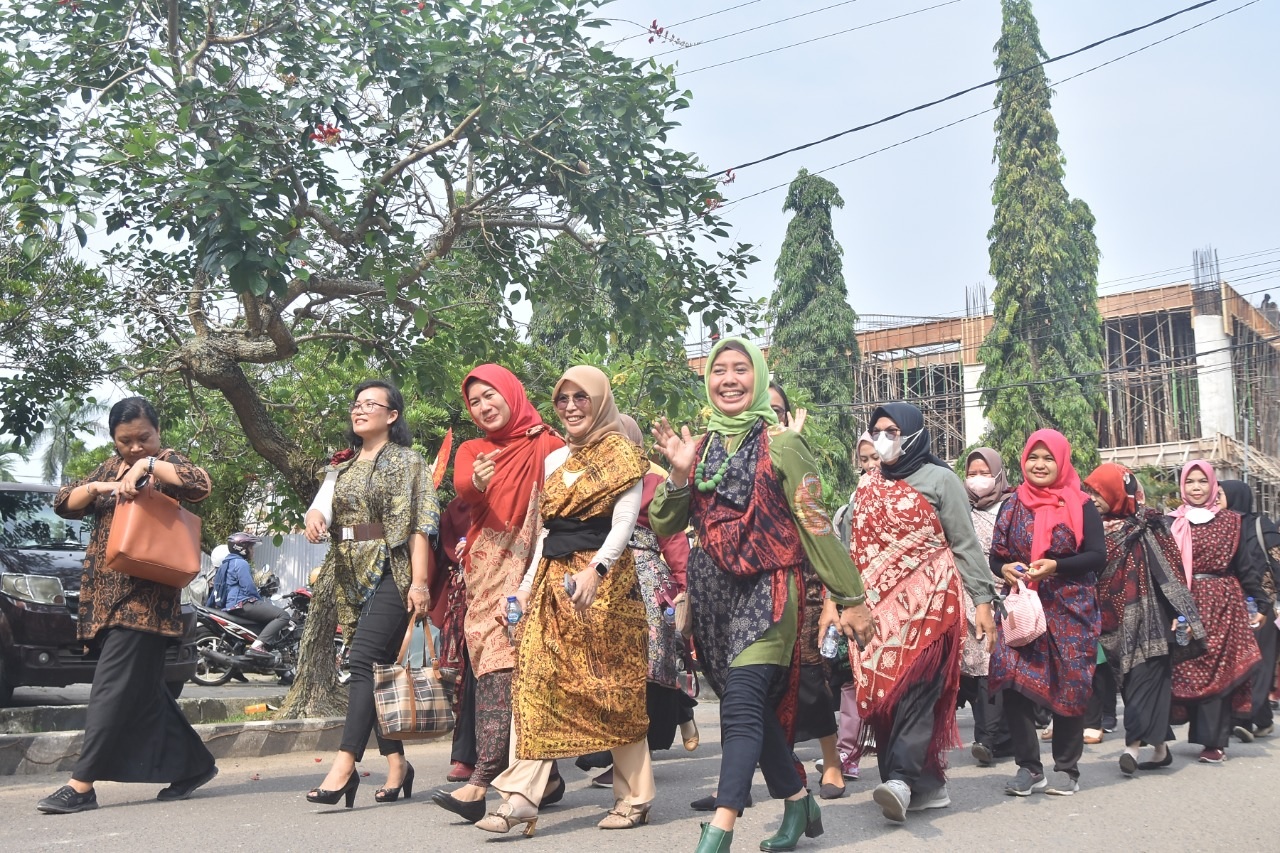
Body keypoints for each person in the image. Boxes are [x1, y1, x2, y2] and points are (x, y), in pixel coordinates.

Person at [650, 338, 874, 853]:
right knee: (749, 706)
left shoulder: (785, 445)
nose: (728, 379)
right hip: (712, 597)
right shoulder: (699, 449)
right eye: (719, 370)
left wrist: (851, 596)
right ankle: (799, 802)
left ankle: (722, 825)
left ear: (759, 376)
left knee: (744, 701)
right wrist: (680, 475)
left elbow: (817, 525)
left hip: (770, 589)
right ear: (706, 379)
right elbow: (664, 522)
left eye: (740, 369)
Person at [477, 366, 651, 836]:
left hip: (606, 585)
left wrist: (596, 569)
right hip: (554, 582)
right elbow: (547, 533)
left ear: (600, 401)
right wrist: (526, 584)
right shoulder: (555, 461)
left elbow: (624, 522)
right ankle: (520, 798)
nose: (571, 407)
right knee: (533, 681)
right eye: (563, 399)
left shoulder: (622, 453)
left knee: (611, 692)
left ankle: (635, 796)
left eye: (582, 398)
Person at [38, 397, 217, 814]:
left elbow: (200, 483)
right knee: (143, 695)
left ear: (157, 431)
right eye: (125, 441)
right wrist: (101, 486)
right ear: (114, 439)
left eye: (144, 438)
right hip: (102, 602)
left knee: (110, 690)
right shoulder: (106, 466)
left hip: (145, 603)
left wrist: (148, 467)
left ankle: (80, 785)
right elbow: (64, 502)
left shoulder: (167, 462)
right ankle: (193, 765)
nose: (135, 447)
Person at [847, 404, 998, 823]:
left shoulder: (941, 480)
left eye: (891, 430)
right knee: (885, 701)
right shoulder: (866, 487)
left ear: (913, 433)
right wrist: (837, 603)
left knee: (915, 692)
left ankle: (898, 779)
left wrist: (982, 602)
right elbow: (850, 552)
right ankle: (927, 787)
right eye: (876, 431)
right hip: (876, 614)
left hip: (932, 607)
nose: (882, 439)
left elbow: (965, 543)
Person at [432, 365, 566, 822]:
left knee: (509, 671)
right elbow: (464, 488)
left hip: (538, 567)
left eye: (491, 396)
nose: (484, 406)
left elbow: (565, 503)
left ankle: (481, 783)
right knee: (493, 669)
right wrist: (480, 482)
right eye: (475, 402)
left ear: (511, 393)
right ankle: (543, 780)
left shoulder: (549, 444)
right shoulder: (473, 449)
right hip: (486, 573)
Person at [304, 379, 439, 807]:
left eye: (370, 404)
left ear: (392, 415)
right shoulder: (341, 467)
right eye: (356, 403)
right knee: (378, 670)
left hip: (393, 571)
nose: (359, 410)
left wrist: (420, 583)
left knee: (361, 660)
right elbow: (322, 504)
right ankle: (398, 765)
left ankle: (344, 765)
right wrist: (312, 518)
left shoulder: (408, 461)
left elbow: (420, 524)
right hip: (349, 571)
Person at [989, 430, 1105, 797]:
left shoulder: (1081, 504)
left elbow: (1097, 556)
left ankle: (1067, 769)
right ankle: (1029, 768)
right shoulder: (1012, 504)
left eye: (1048, 458)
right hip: (1023, 608)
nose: (1040, 465)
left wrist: (1056, 566)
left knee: (1070, 684)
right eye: (1033, 458)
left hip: (1071, 609)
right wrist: (1005, 569)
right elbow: (997, 554)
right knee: (1013, 683)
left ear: (1062, 461)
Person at [585, 415, 697, 790]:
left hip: (646, 584)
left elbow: (673, 539)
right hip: (600, 582)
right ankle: (615, 751)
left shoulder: (654, 483)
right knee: (605, 668)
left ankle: (634, 757)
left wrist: (683, 587)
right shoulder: (591, 483)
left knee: (646, 668)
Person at [1083, 463, 1204, 774]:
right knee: (1136, 684)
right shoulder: (1092, 528)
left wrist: (1181, 613)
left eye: (1099, 491)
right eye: (1091, 490)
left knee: (1141, 685)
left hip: (1153, 621)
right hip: (1112, 621)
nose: (1093, 496)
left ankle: (1131, 749)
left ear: (1116, 491)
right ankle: (1161, 750)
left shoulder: (1149, 527)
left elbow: (1171, 570)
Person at [1166, 462, 1267, 763]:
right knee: (1187, 665)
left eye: (1202, 482)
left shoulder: (1232, 522)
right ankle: (1190, 732)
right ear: (1182, 486)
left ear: (1213, 486)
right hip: (1184, 603)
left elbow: (1246, 568)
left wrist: (1260, 602)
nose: (1196, 488)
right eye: (1190, 482)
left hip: (1224, 602)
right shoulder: (1171, 523)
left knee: (1219, 669)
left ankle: (1214, 741)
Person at [961, 448, 1015, 767]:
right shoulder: (961, 511)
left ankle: (994, 737)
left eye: (984, 472)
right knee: (980, 668)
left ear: (997, 474)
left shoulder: (1012, 506)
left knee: (996, 666)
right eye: (972, 473)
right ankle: (991, 737)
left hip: (1006, 596)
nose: (977, 479)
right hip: (970, 598)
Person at [1218, 480, 1280, 740]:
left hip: (1263, 606)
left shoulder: (1262, 526)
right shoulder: (1220, 527)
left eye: (1220, 493)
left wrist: (1270, 599)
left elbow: (1277, 562)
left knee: (1261, 662)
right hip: (1231, 605)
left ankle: (1243, 717)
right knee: (1240, 661)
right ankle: (1262, 718)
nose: (1215, 496)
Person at [209, 531, 291, 660]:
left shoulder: (224, 565)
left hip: (230, 606)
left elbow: (217, 589)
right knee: (283, 615)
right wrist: (258, 600)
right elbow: (248, 587)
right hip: (243, 604)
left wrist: (210, 607)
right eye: (251, 547)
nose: (253, 551)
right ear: (242, 549)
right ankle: (257, 646)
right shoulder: (241, 563)